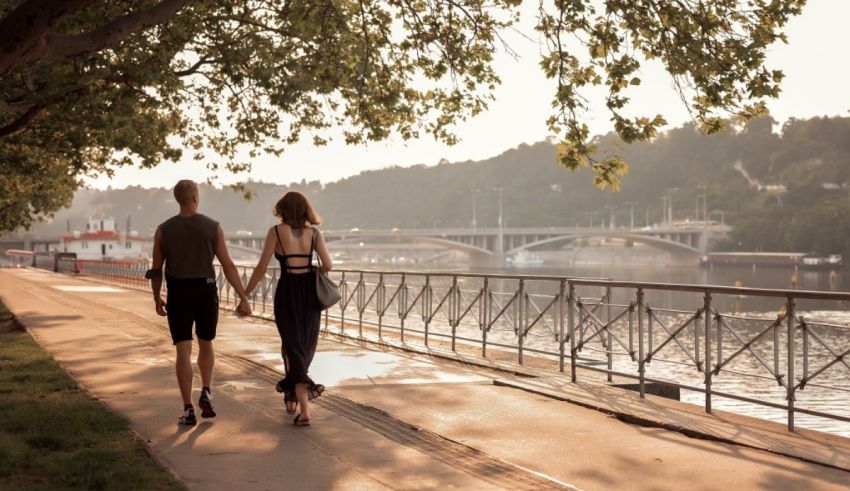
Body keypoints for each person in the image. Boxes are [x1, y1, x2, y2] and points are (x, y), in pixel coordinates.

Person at [148, 179, 251, 426]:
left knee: (183, 349)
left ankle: (187, 409)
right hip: (205, 290)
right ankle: (206, 390)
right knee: (206, 343)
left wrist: (156, 297)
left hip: (179, 291)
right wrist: (243, 297)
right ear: (195, 198)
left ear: (178, 199)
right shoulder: (212, 227)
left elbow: (156, 269)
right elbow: (228, 265)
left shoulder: (164, 229)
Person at [245, 191, 332, 426]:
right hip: (309, 295)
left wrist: (245, 294)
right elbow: (328, 265)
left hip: (286, 292)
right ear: (305, 209)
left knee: (292, 345)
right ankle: (292, 396)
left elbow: (261, 267)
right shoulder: (314, 234)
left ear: (282, 209)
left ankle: (304, 410)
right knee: (301, 346)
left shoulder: (276, 232)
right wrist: (311, 272)